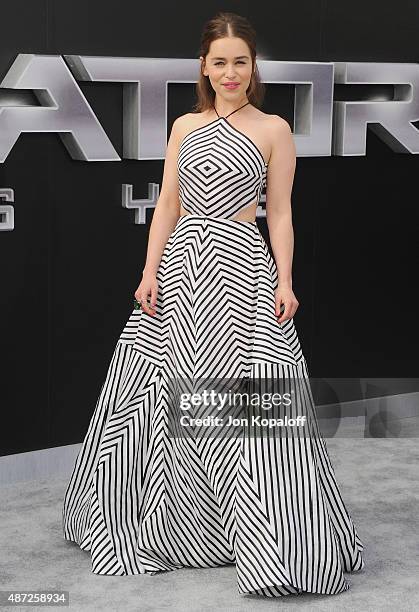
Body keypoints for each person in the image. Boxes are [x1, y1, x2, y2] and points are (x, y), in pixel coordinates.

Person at [63, 11, 364, 598]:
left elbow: (278, 212)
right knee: (160, 397)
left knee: (255, 403)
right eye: (220, 62)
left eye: (241, 62)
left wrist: (285, 280)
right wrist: (148, 272)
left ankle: (273, 537)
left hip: (244, 270)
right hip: (180, 272)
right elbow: (168, 206)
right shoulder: (183, 126)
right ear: (204, 66)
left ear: (254, 68)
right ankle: (180, 527)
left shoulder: (275, 128)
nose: (231, 72)